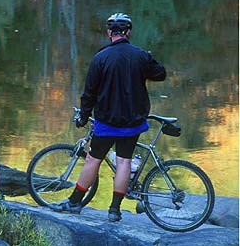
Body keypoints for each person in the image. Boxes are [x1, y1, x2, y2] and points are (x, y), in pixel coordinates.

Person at [51, 13, 166, 222]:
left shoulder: (100, 57)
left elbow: (89, 93)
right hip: (133, 122)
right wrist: (150, 58)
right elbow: (160, 73)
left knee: (93, 161)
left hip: (106, 121)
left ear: (108, 33)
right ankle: (114, 210)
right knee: (124, 161)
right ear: (128, 33)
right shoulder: (140, 55)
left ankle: (75, 202)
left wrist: (84, 116)